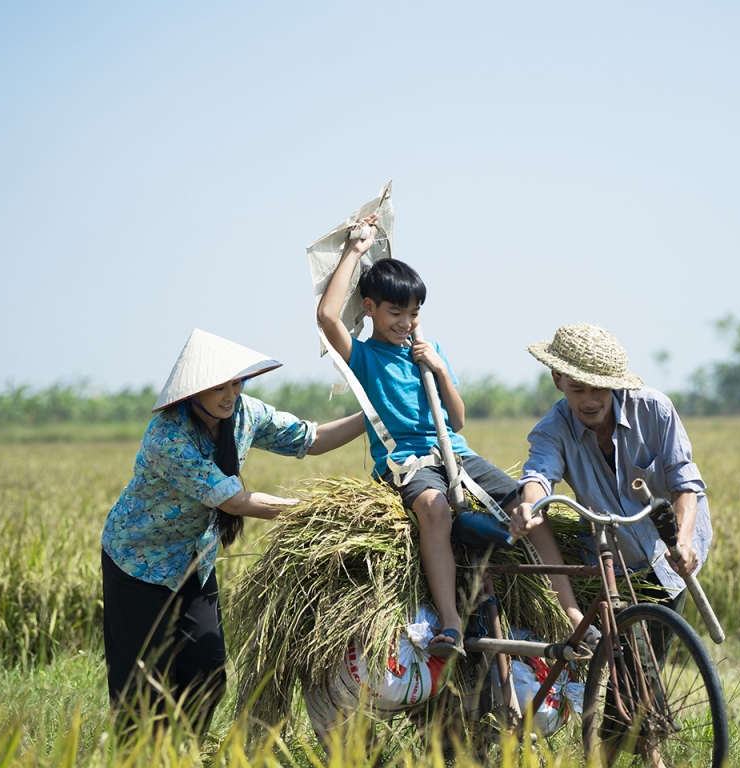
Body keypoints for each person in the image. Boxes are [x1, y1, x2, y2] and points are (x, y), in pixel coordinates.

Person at [101, 328, 365, 736]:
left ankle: (182, 751)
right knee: (142, 683)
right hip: (139, 562)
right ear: (193, 392)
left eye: (236, 383)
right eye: (218, 387)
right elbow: (236, 502)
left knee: (208, 671)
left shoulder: (245, 414)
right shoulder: (168, 437)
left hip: (195, 561)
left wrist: (372, 414)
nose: (229, 394)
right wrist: (320, 511)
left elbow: (311, 440)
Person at [507, 322, 713, 768]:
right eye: (579, 388)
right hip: (608, 553)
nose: (591, 399)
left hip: (669, 555)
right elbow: (538, 476)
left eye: (600, 387)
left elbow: (686, 483)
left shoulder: (654, 410)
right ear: (559, 381)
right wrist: (529, 507)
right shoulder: (553, 429)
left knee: (641, 663)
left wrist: (681, 540)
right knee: (627, 663)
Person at [316, 215, 518, 659]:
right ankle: (450, 621)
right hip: (406, 464)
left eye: (414, 313)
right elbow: (327, 317)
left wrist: (440, 368)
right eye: (395, 312)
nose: (406, 322)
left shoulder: (428, 353)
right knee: (434, 506)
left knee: (528, 504)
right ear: (369, 308)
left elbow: (459, 421)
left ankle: (569, 611)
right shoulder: (364, 357)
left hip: (455, 456)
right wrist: (355, 250)